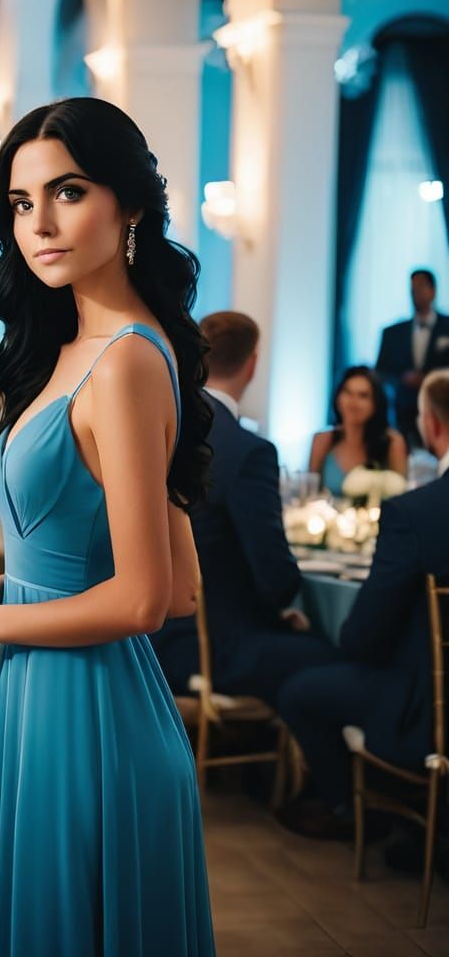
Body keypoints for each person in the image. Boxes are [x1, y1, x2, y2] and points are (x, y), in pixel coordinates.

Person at [0, 98, 216, 954]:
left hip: (93, 723)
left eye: (68, 191)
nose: (39, 223)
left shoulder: (125, 359)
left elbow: (146, 601)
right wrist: (0, 587)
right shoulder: (80, 349)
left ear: (129, 206)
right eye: (20, 202)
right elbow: (184, 580)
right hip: (55, 703)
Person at [276, 368, 449, 840]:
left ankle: (355, 812)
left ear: (432, 425)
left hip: (427, 704)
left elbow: (363, 637)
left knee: (302, 689)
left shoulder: (416, 513)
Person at [152, 311, 338, 708]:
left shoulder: (160, 430)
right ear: (252, 365)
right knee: (335, 657)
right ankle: (270, 770)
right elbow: (275, 579)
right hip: (215, 650)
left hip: (146, 638)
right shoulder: (248, 452)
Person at [308, 366, 407, 497]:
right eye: (347, 392)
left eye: (363, 396)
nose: (353, 402)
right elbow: (309, 494)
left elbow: (402, 498)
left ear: (376, 403)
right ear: (338, 397)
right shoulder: (323, 439)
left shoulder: (392, 442)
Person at [376, 268, 449, 445]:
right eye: (413, 289)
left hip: (442, 409)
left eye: (421, 287)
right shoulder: (393, 332)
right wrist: (403, 378)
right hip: (402, 412)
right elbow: (381, 371)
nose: (416, 293)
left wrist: (429, 378)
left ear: (433, 291)